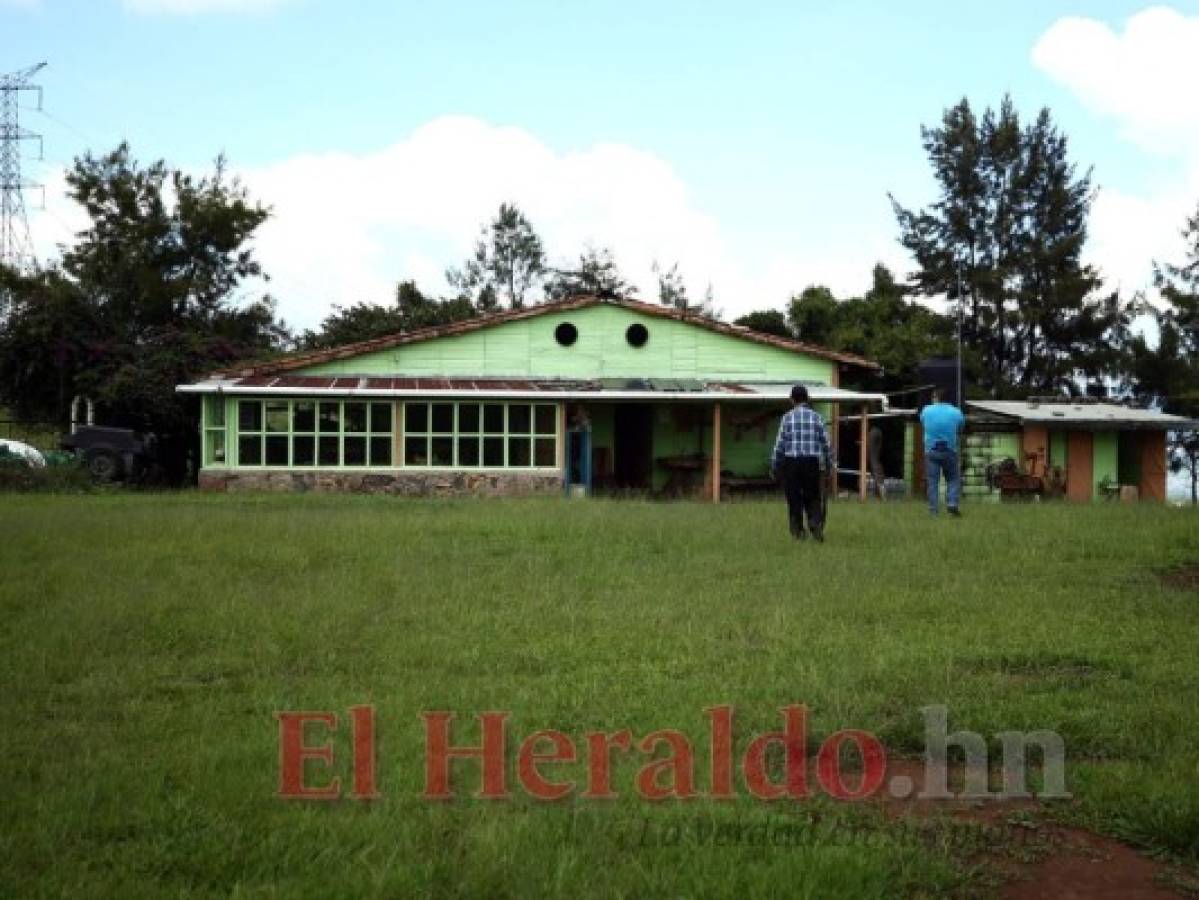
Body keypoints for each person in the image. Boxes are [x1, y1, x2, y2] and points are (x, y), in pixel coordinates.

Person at [770, 384, 834, 542]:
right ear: (807, 399)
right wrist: (829, 465)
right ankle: (814, 524)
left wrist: (775, 466)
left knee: (794, 498)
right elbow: (827, 444)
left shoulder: (787, 418)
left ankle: (798, 532)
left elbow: (780, 446)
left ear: (792, 400)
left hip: (791, 463)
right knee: (813, 496)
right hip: (812, 462)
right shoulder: (817, 417)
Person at [919, 388, 965, 516]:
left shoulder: (926, 410)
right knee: (953, 478)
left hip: (931, 450)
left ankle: (933, 511)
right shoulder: (956, 412)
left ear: (935, 397)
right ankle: (952, 503)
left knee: (933, 481)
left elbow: (923, 423)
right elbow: (961, 428)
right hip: (950, 450)